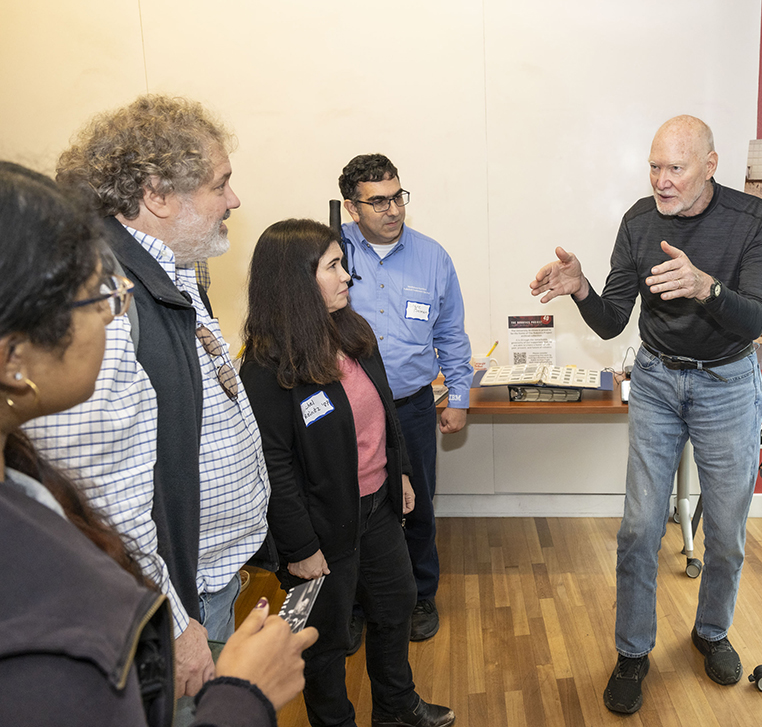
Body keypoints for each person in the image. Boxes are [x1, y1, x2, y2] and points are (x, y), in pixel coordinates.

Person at [0, 162, 316, 725]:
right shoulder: (38, 614)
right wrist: (245, 694)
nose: (112, 313)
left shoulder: (19, 477)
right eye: (93, 299)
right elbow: (114, 500)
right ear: (12, 359)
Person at [529, 115, 762, 714]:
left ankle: (711, 632)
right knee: (640, 527)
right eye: (654, 166)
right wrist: (583, 287)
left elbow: (758, 318)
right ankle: (633, 651)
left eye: (676, 168)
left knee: (725, 532)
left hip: (727, 382)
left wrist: (705, 288)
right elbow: (614, 318)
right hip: (659, 380)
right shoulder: (639, 222)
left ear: (711, 166)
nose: (661, 181)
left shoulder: (753, 220)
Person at [241, 219, 454, 727]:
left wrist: (399, 472)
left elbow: (385, 412)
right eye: (334, 267)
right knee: (327, 639)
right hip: (320, 527)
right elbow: (274, 466)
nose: (347, 278)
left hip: (377, 504)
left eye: (344, 264)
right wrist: (300, 548)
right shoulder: (267, 366)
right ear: (296, 281)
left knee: (396, 604)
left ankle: (397, 709)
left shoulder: (352, 332)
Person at [338, 154, 472, 642]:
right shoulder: (333, 254)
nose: (392, 209)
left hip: (411, 405)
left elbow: (452, 334)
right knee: (349, 507)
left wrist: (459, 396)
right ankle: (351, 604)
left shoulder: (432, 257)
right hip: (346, 410)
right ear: (353, 208)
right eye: (378, 201)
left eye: (397, 196)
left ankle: (420, 596)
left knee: (416, 506)